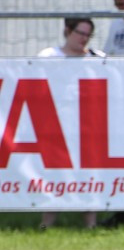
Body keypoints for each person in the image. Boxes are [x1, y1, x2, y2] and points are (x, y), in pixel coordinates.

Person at [38, 17, 103, 229]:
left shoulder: (98, 58)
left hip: (89, 124)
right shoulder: (49, 56)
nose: (83, 39)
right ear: (67, 31)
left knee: (90, 173)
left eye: (87, 35)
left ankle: (90, 223)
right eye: (80, 33)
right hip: (56, 123)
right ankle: (47, 222)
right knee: (55, 173)